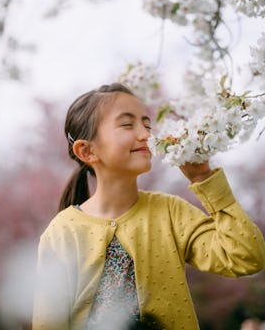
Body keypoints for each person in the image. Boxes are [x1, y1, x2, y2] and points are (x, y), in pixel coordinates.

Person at [32, 83, 265, 330]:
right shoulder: (63, 232)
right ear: (87, 150)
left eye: (146, 124)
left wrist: (203, 179)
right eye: (127, 124)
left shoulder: (171, 212)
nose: (145, 134)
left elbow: (246, 257)